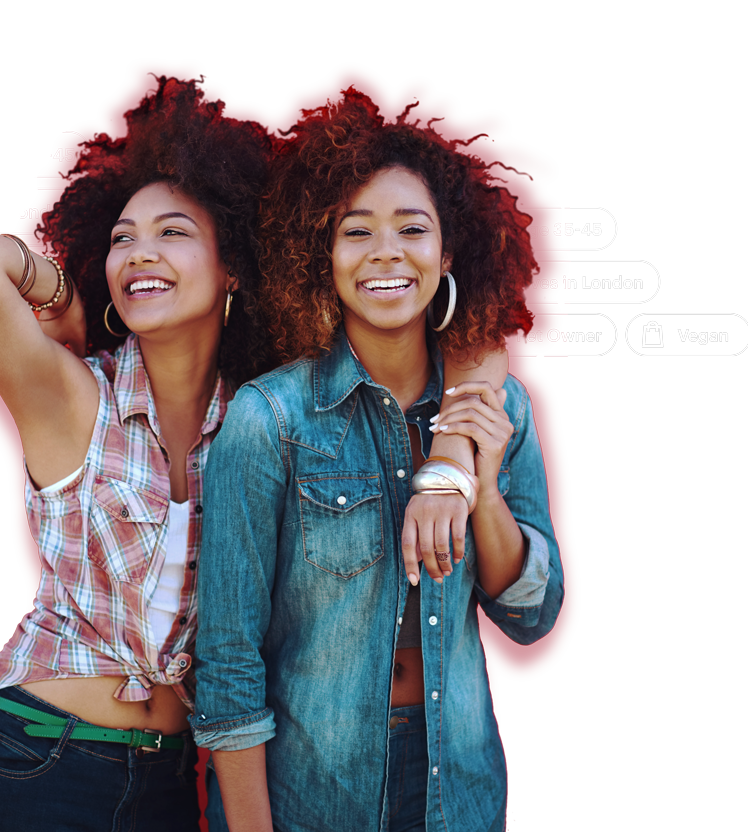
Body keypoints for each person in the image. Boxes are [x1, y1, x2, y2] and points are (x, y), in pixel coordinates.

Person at [192, 94, 563, 832]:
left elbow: (530, 616)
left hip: (456, 791)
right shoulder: (271, 419)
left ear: (447, 251)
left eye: (412, 229)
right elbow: (228, 658)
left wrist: (480, 488)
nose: (386, 252)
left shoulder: (498, 405)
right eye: (355, 231)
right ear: (322, 257)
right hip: (311, 793)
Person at [0, 79, 274, 832]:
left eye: (172, 232)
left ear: (233, 268)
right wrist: (60, 297)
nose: (140, 253)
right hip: (29, 762)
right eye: (122, 238)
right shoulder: (77, 398)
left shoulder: (259, 422)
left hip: (167, 784)